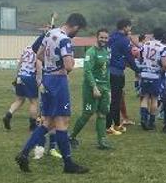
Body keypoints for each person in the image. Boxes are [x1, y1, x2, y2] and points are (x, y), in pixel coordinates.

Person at [15, 13, 89, 174]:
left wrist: (50, 65)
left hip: (47, 80)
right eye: (79, 30)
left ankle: (24, 153)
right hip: (58, 81)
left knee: (47, 122)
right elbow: (69, 65)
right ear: (75, 26)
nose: (77, 33)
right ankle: (68, 163)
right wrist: (64, 66)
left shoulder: (50, 33)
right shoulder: (64, 39)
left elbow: (39, 55)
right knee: (62, 121)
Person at [69, 29, 114, 150]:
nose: (104, 40)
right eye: (102, 37)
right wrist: (94, 87)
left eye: (106, 38)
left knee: (102, 114)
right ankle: (71, 137)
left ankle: (102, 141)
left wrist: (109, 90)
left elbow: (107, 71)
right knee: (87, 114)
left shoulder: (106, 51)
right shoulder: (91, 52)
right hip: (92, 88)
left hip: (104, 87)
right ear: (97, 37)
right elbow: (87, 71)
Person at [107, 19, 138, 134]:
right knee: (115, 100)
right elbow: (129, 57)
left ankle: (114, 124)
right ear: (125, 27)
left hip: (107, 71)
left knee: (112, 99)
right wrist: (137, 69)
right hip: (117, 73)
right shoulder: (124, 40)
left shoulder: (110, 37)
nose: (130, 30)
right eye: (130, 27)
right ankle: (110, 126)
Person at [138, 28, 166, 131]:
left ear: (153, 35)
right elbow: (165, 64)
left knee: (145, 97)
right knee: (155, 99)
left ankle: (143, 118)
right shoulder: (162, 47)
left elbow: (140, 58)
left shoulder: (145, 44)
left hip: (144, 74)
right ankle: (151, 122)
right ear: (162, 36)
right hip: (155, 75)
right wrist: (163, 69)